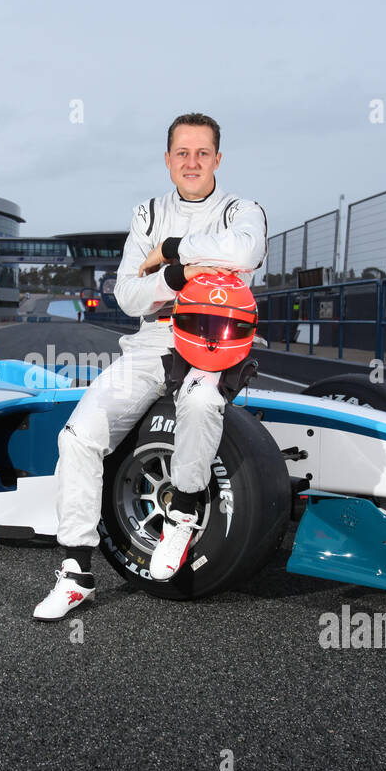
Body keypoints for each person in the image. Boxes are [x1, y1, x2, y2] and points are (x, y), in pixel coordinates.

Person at [33, 112, 267, 620]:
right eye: (181, 152)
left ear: (218, 159)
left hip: (214, 339)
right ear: (167, 160)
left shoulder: (241, 209)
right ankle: (76, 573)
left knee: (201, 401)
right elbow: (130, 295)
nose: (191, 162)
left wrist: (169, 252)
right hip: (153, 341)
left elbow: (245, 253)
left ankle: (182, 512)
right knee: (78, 436)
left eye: (202, 152)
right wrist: (184, 275)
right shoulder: (146, 213)